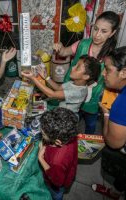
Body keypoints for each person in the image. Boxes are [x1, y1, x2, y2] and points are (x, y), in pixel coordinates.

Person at [53, 11, 120, 134]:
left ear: (112, 33)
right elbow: (63, 52)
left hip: (92, 97)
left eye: (104, 31)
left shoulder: (111, 56)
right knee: (69, 121)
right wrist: (60, 47)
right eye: (95, 29)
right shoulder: (82, 44)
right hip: (72, 90)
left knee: (90, 124)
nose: (97, 35)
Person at [91, 47, 126, 199]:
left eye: (108, 70)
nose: (103, 74)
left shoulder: (121, 104)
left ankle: (114, 193)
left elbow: (114, 143)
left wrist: (106, 113)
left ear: (123, 73)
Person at [21, 55, 101, 115]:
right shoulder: (73, 82)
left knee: (34, 112)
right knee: (31, 104)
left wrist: (33, 78)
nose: (72, 67)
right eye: (75, 64)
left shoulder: (79, 92)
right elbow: (59, 88)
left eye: (77, 68)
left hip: (65, 118)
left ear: (86, 76)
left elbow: (52, 94)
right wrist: (46, 77)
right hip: (60, 110)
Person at [38, 107, 78, 200]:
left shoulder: (57, 161)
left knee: (56, 195)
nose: (41, 134)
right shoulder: (70, 135)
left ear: (58, 142)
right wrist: (46, 143)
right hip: (68, 170)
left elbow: (57, 181)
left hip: (57, 184)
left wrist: (41, 158)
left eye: (43, 134)